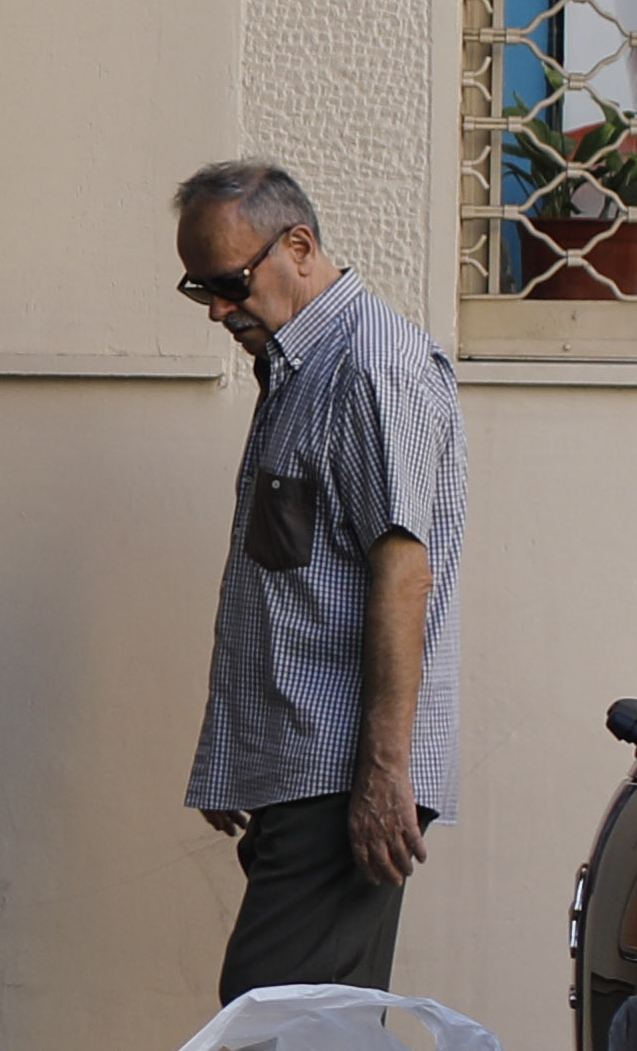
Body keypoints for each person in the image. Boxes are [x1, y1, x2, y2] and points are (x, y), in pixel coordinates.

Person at [174, 159, 468, 996]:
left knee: (267, 1034)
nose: (221, 310)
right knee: (313, 1047)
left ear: (298, 246)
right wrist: (237, 756)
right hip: (302, 770)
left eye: (230, 284)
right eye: (201, 291)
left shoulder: (372, 369)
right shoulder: (300, 368)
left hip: (341, 775)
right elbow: (291, 585)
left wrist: (383, 775)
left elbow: (404, 576)